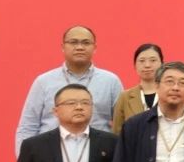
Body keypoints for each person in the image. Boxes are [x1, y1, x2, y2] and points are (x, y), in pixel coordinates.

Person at [16, 25, 123, 154]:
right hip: (50, 155)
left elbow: (122, 126)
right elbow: (28, 126)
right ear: (63, 47)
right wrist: (25, 160)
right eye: (73, 42)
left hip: (98, 156)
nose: (79, 47)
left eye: (86, 43)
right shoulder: (43, 82)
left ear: (94, 48)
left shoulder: (111, 81)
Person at [111, 43, 163, 133]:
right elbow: (117, 132)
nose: (147, 65)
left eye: (153, 60)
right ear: (135, 65)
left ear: (162, 64)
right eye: (142, 61)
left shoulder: (170, 94)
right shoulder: (125, 97)